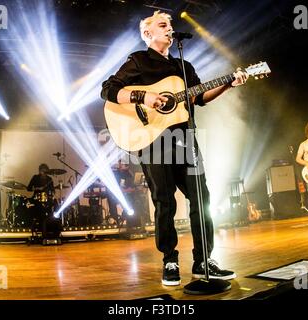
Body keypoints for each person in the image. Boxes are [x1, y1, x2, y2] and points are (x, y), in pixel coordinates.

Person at [101, 11, 248, 286]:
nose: (170, 29)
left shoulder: (184, 66)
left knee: (200, 197)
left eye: (170, 25)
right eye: (162, 25)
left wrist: (229, 83)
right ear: (147, 34)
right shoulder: (138, 61)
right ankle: (169, 259)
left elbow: (200, 97)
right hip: (153, 139)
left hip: (184, 138)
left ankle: (203, 260)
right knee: (165, 201)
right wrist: (144, 96)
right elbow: (109, 90)